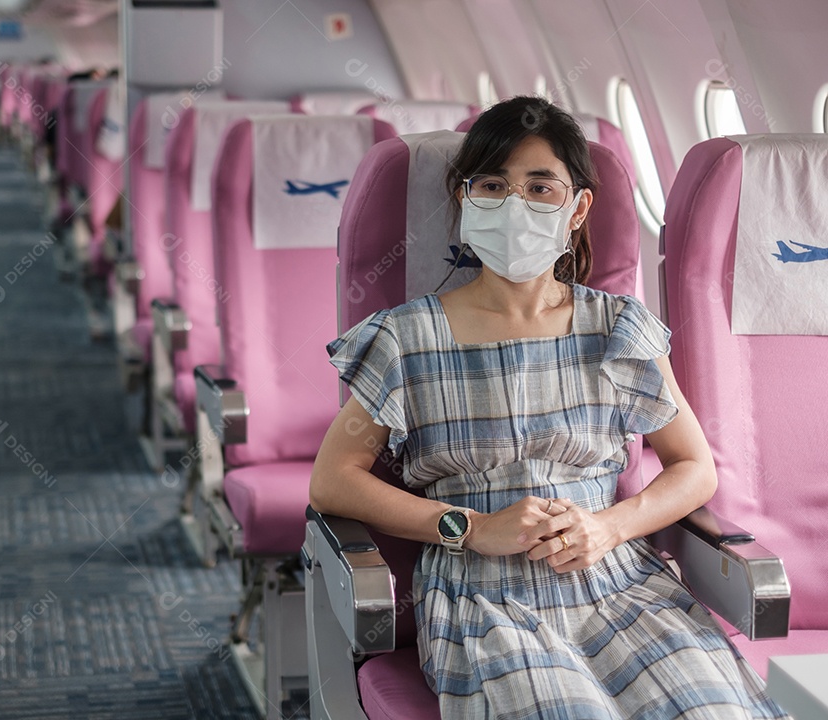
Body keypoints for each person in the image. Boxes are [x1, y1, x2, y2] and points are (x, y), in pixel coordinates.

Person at [310, 96, 788, 719]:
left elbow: (694, 468)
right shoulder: (404, 339)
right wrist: (473, 529)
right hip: (485, 596)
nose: (515, 204)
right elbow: (332, 480)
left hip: (619, 580)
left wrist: (610, 527)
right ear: (464, 199)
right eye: (493, 185)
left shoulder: (619, 327)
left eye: (540, 186)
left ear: (577, 207)